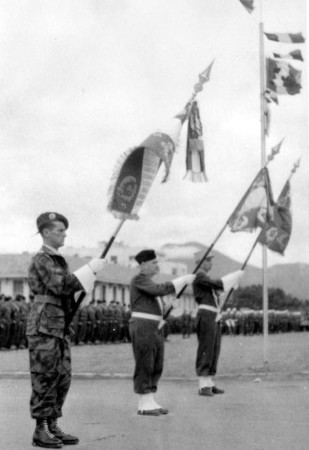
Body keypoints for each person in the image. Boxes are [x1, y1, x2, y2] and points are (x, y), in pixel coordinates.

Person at [26, 211, 106, 448]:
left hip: (58, 324)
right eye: (60, 230)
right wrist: (89, 269)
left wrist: (86, 277)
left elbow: (69, 289)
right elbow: (61, 285)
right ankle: (40, 429)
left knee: (62, 377)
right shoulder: (42, 259)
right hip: (45, 325)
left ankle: (52, 425)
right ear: (46, 232)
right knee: (45, 375)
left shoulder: (57, 260)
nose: (64, 234)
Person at [129, 249, 195, 416]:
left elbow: (157, 301)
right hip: (143, 325)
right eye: (153, 263)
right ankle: (144, 402)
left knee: (156, 363)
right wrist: (180, 281)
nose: (157, 265)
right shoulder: (139, 280)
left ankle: (150, 398)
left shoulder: (148, 282)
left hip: (155, 326)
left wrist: (169, 306)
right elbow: (157, 290)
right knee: (145, 362)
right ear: (143, 265)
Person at [193, 250, 243, 397]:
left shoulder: (204, 277)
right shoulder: (199, 275)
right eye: (208, 260)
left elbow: (218, 291)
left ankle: (209, 382)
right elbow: (217, 284)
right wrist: (234, 277)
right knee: (206, 348)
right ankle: (203, 385)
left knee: (214, 348)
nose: (210, 263)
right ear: (201, 262)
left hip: (213, 314)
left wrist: (231, 286)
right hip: (206, 314)